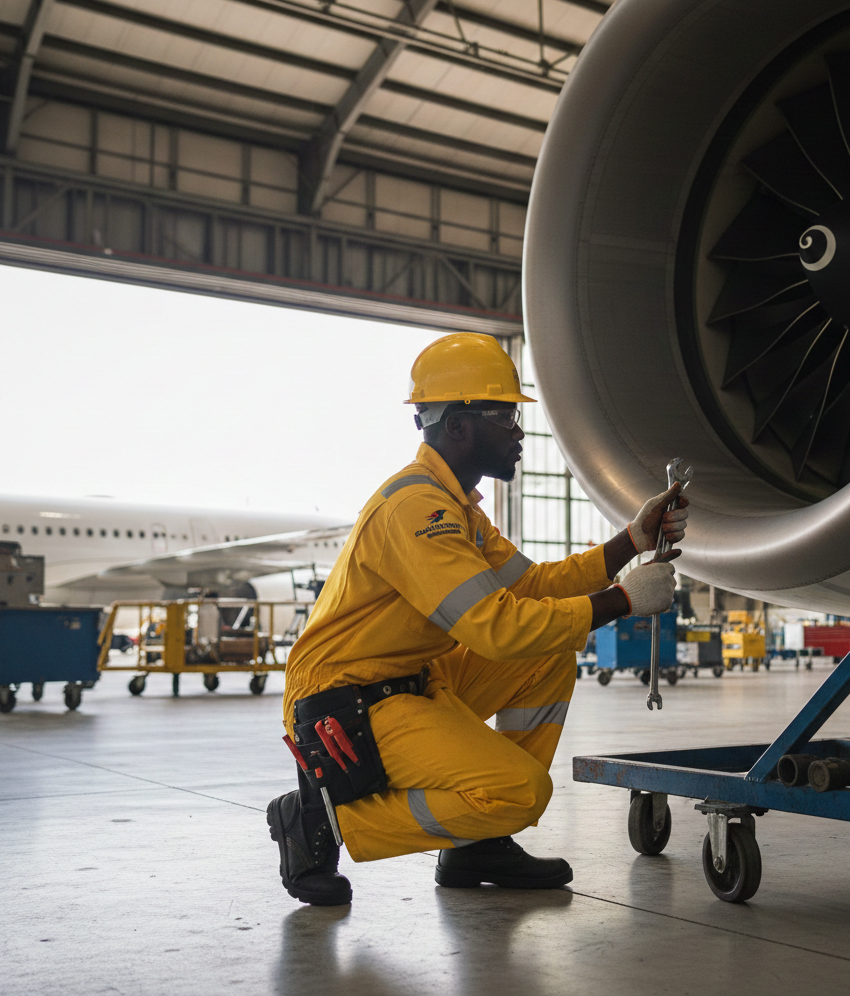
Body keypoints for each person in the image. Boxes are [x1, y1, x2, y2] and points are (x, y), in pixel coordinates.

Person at [267, 332, 688, 905]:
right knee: (521, 791)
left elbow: (531, 587)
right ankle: (321, 817)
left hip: (409, 684)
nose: (519, 433)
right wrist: (621, 601)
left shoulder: (457, 507)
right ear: (458, 427)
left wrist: (630, 542)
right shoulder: (419, 511)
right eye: (507, 418)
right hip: (346, 701)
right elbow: (495, 625)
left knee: (548, 651)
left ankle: (476, 846)